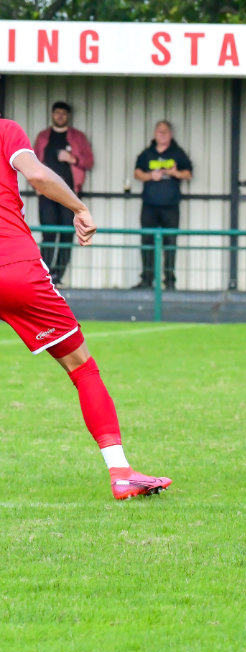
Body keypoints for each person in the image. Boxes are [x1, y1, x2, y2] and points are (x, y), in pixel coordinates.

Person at [0, 116, 172, 500]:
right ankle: (121, 473)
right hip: (14, 268)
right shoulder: (6, 130)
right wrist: (79, 208)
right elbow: (38, 175)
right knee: (82, 367)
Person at [32, 101, 94, 287]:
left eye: (63, 113)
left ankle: (58, 275)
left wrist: (72, 158)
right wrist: (36, 186)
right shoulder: (43, 137)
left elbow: (89, 161)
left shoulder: (77, 137)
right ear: (52, 114)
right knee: (49, 234)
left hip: (70, 194)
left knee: (67, 234)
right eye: (57, 113)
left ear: (68, 116)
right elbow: (31, 161)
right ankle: (45, 276)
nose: (60, 116)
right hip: (46, 193)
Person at [133, 120, 193, 290]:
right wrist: (150, 176)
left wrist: (175, 173)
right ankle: (147, 279)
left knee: (170, 243)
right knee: (147, 242)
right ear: (155, 134)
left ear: (171, 134)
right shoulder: (147, 153)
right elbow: (137, 173)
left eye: (166, 131)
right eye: (160, 131)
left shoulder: (178, 153)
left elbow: (188, 173)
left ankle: (170, 281)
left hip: (171, 206)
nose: (163, 134)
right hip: (149, 205)